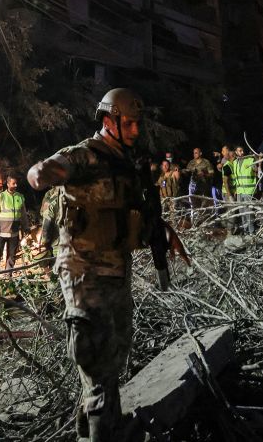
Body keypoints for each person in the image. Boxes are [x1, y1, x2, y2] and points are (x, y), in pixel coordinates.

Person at [27, 88, 187, 442]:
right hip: (84, 274)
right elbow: (38, 175)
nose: (135, 130)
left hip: (117, 271)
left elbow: (135, 214)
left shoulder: (126, 166)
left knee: (114, 360)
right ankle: (101, 433)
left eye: (136, 124)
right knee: (97, 366)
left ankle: (102, 429)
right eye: (128, 123)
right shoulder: (86, 156)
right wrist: (49, 172)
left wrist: (161, 230)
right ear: (108, 121)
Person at [0, 176, 26, 274]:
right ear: (8, 184)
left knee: (11, 255)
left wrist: (26, 227)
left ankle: (8, 274)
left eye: (16, 183)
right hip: (1, 232)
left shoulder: (20, 197)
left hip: (14, 232)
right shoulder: (1, 197)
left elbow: (23, 215)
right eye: (13, 183)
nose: (16, 185)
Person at [232, 146, 259, 235]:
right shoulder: (235, 162)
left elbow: (257, 170)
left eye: (243, 150)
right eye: (240, 151)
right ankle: (245, 230)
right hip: (240, 190)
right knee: (242, 211)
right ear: (236, 152)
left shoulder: (250, 160)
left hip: (249, 190)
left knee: (249, 212)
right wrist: (236, 190)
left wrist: (256, 159)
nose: (242, 152)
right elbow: (236, 177)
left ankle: (252, 231)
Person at [184, 147, 215, 226]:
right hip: (194, 188)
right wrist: (184, 171)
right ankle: (195, 224)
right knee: (194, 206)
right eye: (194, 153)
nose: (195, 154)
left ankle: (205, 224)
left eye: (196, 152)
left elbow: (211, 173)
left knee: (204, 206)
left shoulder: (206, 162)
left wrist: (204, 174)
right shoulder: (191, 162)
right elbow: (187, 171)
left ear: (200, 153)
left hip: (204, 187)